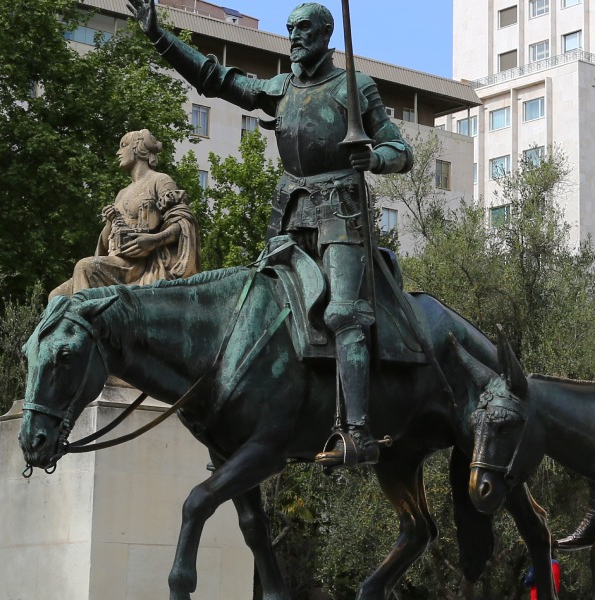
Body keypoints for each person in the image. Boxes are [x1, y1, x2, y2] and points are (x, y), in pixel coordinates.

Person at [126, 0, 414, 468]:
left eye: (303, 29)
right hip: (289, 216)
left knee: (345, 313)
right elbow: (214, 79)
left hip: (342, 214)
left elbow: (400, 150)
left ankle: (356, 432)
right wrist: (160, 36)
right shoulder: (280, 88)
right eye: (290, 29)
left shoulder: (354, 87)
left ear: (325, 34)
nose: (294, 36)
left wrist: (375, 159)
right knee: (254, 308)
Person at [49, 130, 200, 299]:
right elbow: (106, 246)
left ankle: (86, 320)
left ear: (138, 148)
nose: (118, 152)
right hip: (117, 261)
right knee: (56, 296)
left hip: (140, 265)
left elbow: (183, 222)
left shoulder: (160, 180)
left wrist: (155, 240)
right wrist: (110, 222)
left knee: (84, 267)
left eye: (123, 146)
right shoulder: (121, 193)